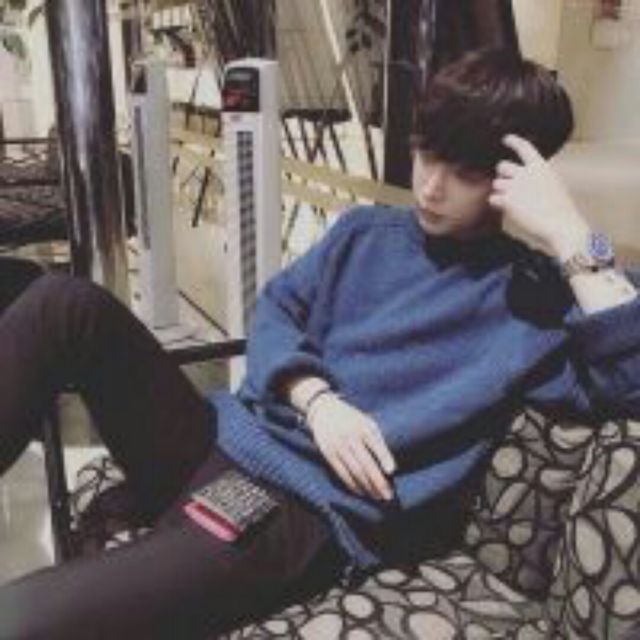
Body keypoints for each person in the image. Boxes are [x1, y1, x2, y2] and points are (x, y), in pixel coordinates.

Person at [0, 48, 639, 639]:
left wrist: (569, 232)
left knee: (21, 618)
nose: (430, 186)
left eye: (464, 172)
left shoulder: (538, 302)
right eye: (426, 153)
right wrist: (316, 398)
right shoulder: (366, 232)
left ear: (513, 179)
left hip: (299, 510)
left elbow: (629, 383)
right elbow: (277, 308)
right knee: (65, 303)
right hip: (222, 438)